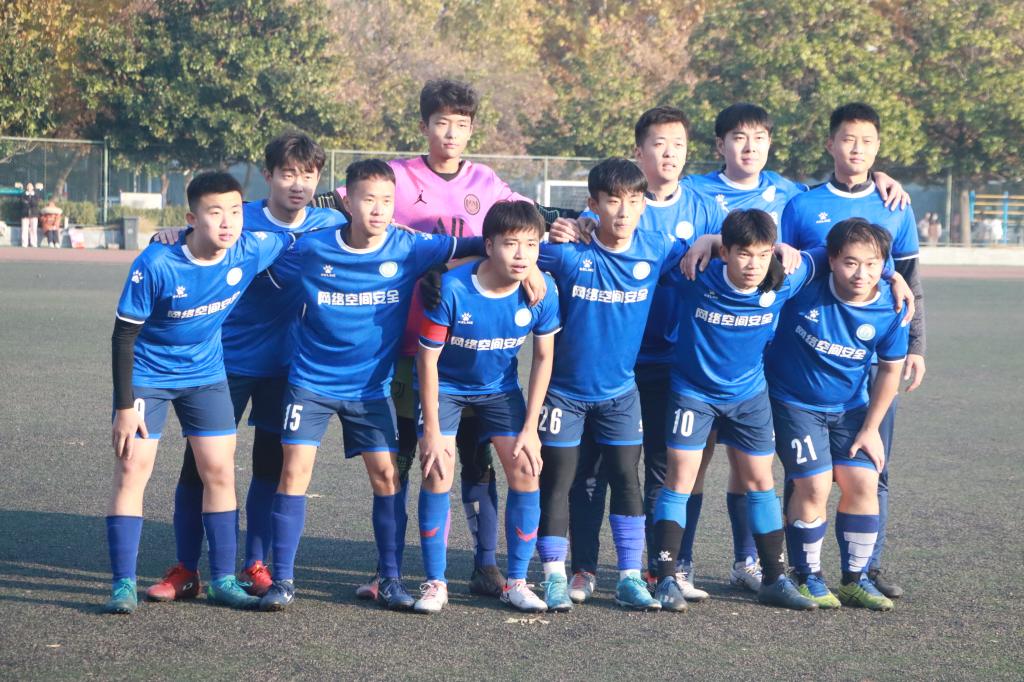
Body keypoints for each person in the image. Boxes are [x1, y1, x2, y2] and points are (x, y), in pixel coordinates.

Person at [318, 80, 577, 600]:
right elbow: (321, 202)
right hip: (408, 346)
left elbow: (528, 223)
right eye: (442, 123)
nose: (451, 134)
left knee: (479, 463)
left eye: (461, 125)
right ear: (424, 126)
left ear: (472, 129)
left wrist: (574, 227)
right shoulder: (395, 178)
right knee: (405, 461)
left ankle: (486, 565)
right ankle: (388, 570)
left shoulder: (487, 182)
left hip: (478, 351)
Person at [679, 103, 910, 593]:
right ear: (720, 144)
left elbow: (838, 252)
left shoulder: (790, 194)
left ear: (770, 142)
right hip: (699, 347)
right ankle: (680, 563)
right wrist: (708, 237)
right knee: (692, 464)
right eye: (738, 137)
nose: (749, 147)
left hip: (762, 353)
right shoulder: (694, 190)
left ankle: (753, 560)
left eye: (759, 137)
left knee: (752, 466)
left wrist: (889, 273)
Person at [258, 159, 482, 612]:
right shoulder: (312, 247)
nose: (378, 210)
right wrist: (180, 234)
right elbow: (242, 242)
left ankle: (391, 579)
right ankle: (282, 580)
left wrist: (534, 263)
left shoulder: (409, 246)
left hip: (370, 389)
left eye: (386, 200)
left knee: (387, 476)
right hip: (311, 382)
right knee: (293, 473)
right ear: (348, 202)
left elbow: (483, 241)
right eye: (368, 200)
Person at [147, 133, 347, 602]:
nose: (297, 184)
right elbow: (193, 239)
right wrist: (172, 233)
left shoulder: (330, 222)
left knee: (269, 466)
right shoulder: (240, 217)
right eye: (287, 173)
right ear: (268, 175)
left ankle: (254, 564)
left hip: (288, 366)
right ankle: (186, 569)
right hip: (224, 364)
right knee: (199, 468)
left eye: (308, 174)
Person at [552, 106, 725, 605]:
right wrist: (564, 224)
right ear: (639, 151)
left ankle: (662, 568)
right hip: (604, 368)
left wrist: (713, 238)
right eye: (658, 143)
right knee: (589, 472)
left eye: (678, 144)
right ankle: (583, 567)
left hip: (673, 363)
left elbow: (745, 248)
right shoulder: (592, 221)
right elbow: (521, 243)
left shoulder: (704, 208)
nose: (669, 153)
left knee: (660, 471)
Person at [103, 171, 293, 614]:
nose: (227, 222)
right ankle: (122, 585)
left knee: (220, 472)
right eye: (215, 213)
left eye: (235, 211)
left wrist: (334, 203)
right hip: (148, 376)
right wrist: (124, 406)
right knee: (132, 471)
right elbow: (123, 336)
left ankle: (223, 580)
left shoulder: (251, 249)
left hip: (206, 376)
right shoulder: (157, 263)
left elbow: (294, 228)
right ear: (191, 219)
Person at [534, 157, 698, 613]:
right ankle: (555, 576)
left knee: (627, 479)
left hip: (621, 395)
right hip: (564, 394)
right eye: (612, 201)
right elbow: (514, 249)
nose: (623, 211)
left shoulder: (657, 247)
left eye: (633, 200)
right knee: (559, 482)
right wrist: (550, 232)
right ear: (594, 204)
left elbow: (702, 252)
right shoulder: (569, 252)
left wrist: (712, 239)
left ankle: (629, 578)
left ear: (644, 204)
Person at [780, 102, 926, 598]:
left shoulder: (895, 204)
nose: (857, 149)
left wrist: (915, 344)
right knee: (808, 477)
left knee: (871, 462)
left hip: (869, 362)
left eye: (866, 141)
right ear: (831, 144)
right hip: (809, 359)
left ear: (878, 147)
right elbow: (788, 267)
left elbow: (909, 280)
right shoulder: (803, 205)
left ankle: (866, 568)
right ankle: (800, 568)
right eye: (847, 139)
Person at [414, 200, 560, 613]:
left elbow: (544, 359)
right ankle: (435, 583)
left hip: (499, 390)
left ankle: (517, 582)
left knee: (527, 467)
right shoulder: (452, 289)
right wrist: (431, 432)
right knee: (437, 469)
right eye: (511, 244)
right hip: (446, 387)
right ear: (490, 245)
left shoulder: (541, 292)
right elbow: (427, 361)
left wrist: (530, 429)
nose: (522, 255)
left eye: (531, 245)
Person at [767, 219, 908, 611]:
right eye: (850, 263)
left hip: (850, 408)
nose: (861, 273)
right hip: (794, 403)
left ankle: (855, 580)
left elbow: (890, 371)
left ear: (884, 265)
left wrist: (871, 428)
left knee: (864, 481)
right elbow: (773, 267)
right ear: (831, 260)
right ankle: (807, 575)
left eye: (872, 264)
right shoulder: (808, 281)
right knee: (814, 486)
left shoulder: (892, 306)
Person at [20, 182, 40, 248]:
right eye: (28, 186)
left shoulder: (36, 195)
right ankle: (24, 243)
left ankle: (33, 243)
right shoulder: (23, 194)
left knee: (34, 229)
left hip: (34, 214)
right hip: (25, 214)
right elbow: (22, 202)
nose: (29, 187)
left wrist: (30, 201)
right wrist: (28, 202)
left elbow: (36, 203)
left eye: (31, 186)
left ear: (33, 187)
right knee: (24, 229)